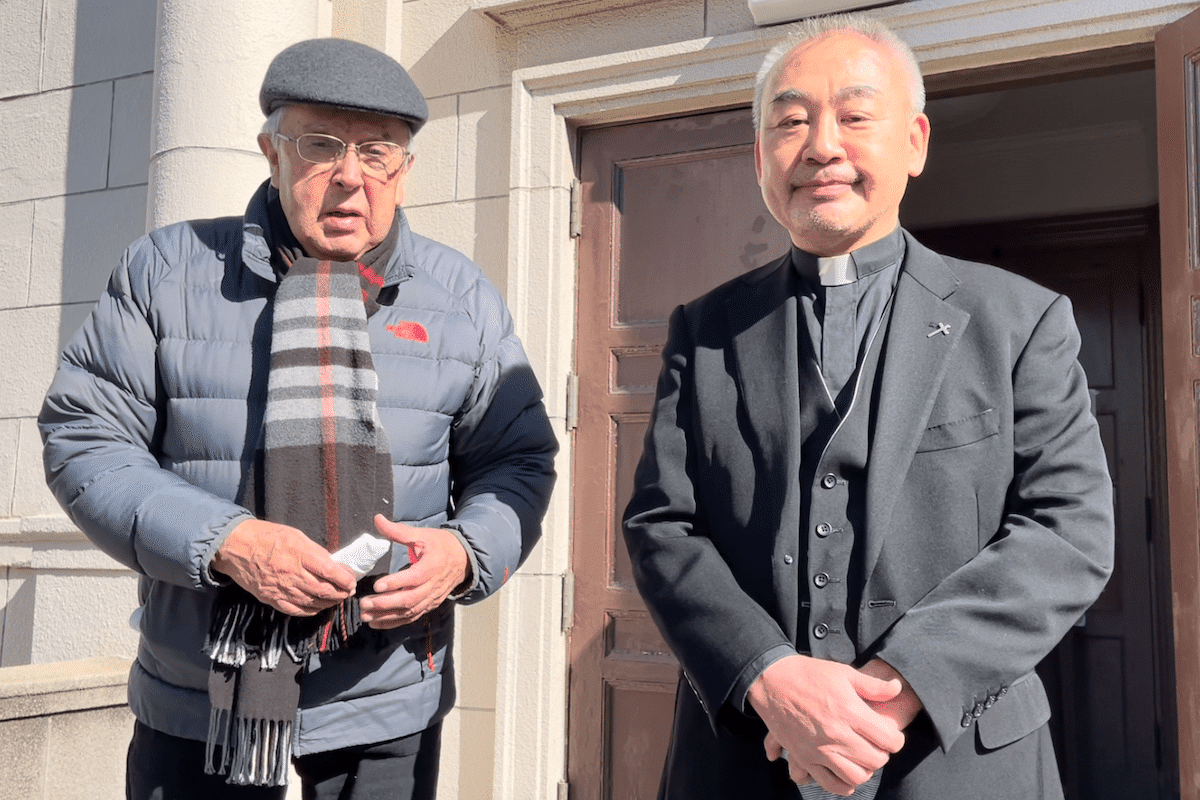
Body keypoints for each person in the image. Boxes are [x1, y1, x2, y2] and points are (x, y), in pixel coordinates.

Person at [39, 37, 557, 800]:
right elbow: (84, 440)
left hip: (385, 692)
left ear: (405, 171)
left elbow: (517, 462)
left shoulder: (461, 298)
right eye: (320, 145)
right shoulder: (167, 271)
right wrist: (228, 543)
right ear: (271, 153)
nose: (351, 177)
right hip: (200, 696)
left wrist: (463, 553)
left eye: (379, 153)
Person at [622, 13, 1114, 800]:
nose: (821, 145)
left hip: (960, 763)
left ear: (914, 142)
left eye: (854, 117)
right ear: (760, 159)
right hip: (747, 760)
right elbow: (663, 526)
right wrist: (769, 676)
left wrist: (898, 685)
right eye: (790, 121)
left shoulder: (1017, 321)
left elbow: (1067, 531)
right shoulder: (706, 329)